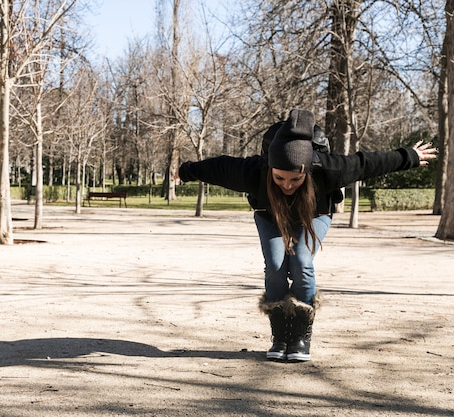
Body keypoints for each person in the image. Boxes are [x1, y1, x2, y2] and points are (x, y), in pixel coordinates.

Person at [178, 109, 437, 362]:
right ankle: (280, 336)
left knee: (301, 261)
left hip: (315, 215)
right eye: (279, 178)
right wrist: (185, 171)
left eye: (295, 179)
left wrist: (409, 156)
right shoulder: (253, 171)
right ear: (270, 169)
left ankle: (300, 335)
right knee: (276, 266)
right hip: (270, 216)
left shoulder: (328, 169)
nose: (287, 186)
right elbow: (217, 167)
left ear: (307, 171)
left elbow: (367, 164)